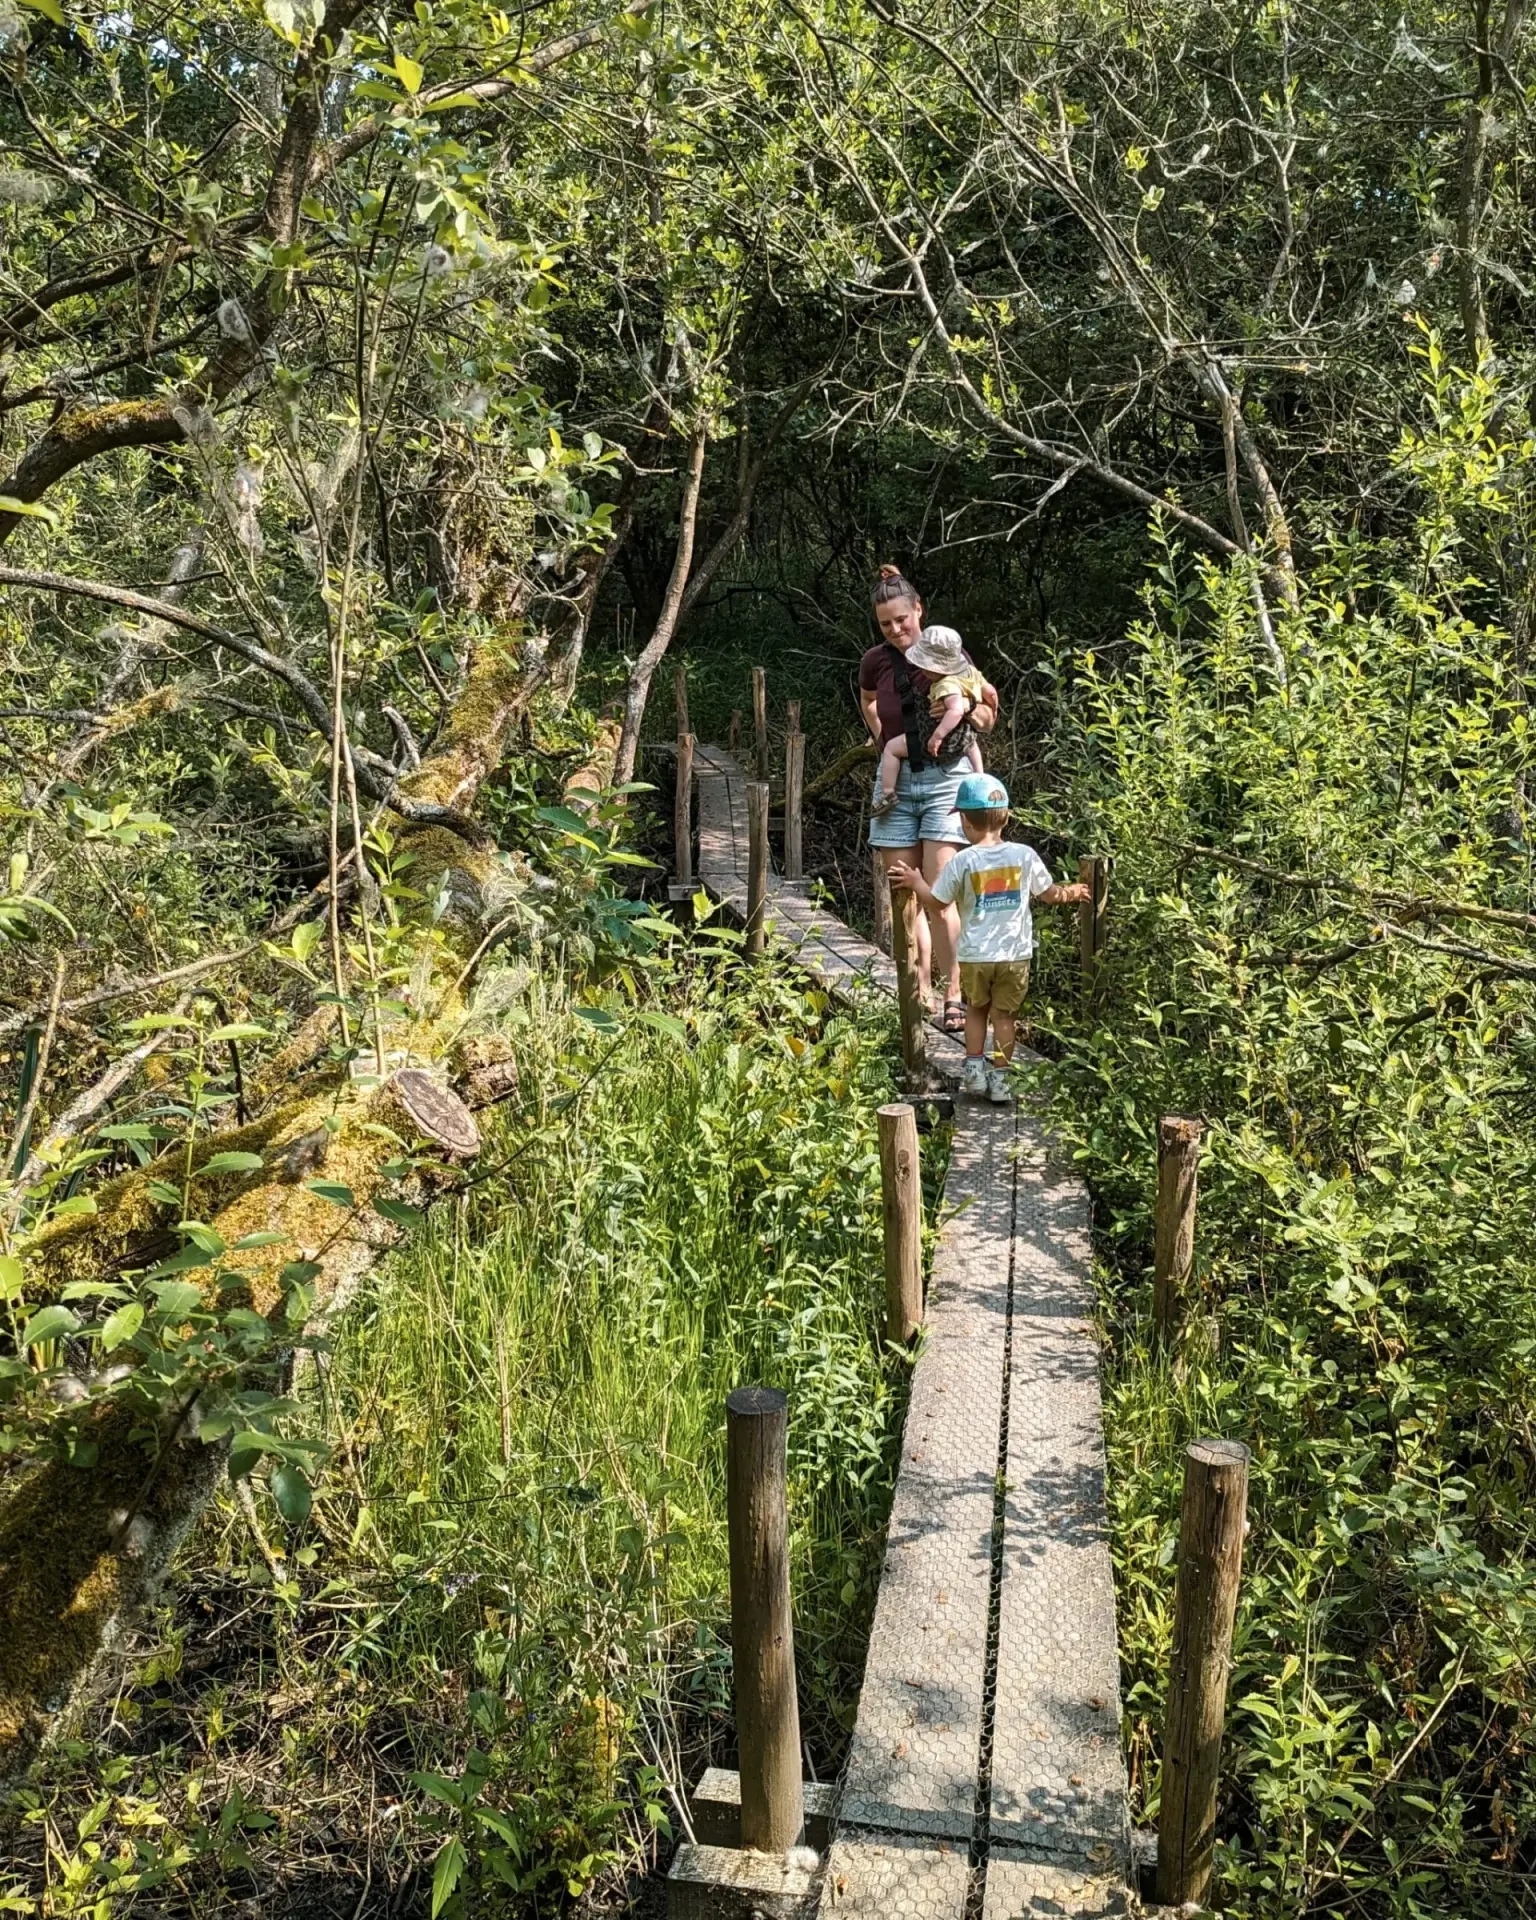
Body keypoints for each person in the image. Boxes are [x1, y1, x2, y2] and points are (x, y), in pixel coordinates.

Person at [888, 773, 1088, 1104]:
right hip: (1014, 955)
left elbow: (937, 903)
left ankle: (974, 1073)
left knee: (977, 1011)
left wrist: (915, 880)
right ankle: (1002, 1081)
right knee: (1005, 1018)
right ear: (1006, 816)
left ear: (964, 822)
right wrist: (1073, 892)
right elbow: (1050, 894)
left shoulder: (962, 861)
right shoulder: (1024, 855)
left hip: (975, 956)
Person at [860, 565, 998, 1033]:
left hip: (945, 781)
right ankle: (919, 989)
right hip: (897, 783)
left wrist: (969, 713)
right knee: (905, 894)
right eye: (886, 624)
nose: (896, 630)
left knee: (940, 894)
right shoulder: (875, 662)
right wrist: (883, 742)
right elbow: (869, 702)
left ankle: (955, 993)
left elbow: (988, 711)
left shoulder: (949, 654)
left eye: (902, 619)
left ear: (918, 609)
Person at [870, 624, 988, 817]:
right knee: (972, 744)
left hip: (932, 741)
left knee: (891, 748)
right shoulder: (970, 674)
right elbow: (989, 692)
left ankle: (888, 793)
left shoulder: (946, 685)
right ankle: (979, 778)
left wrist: (937, 736)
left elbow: (956, 710)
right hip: (963, 741)